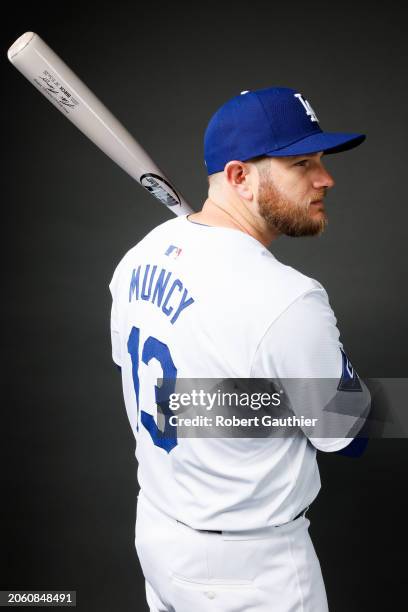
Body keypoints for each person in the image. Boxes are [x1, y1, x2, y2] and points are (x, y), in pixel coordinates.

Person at [109, 87, 371, 611]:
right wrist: (307, 399)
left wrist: (262, 402)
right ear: (239, 177)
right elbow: (348, 436)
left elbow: (170, 401)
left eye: (321, 160)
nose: (326, 179)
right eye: (302, 163)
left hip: (160, 539)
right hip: (252, 572)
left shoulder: (137, 257)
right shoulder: (288, 299)